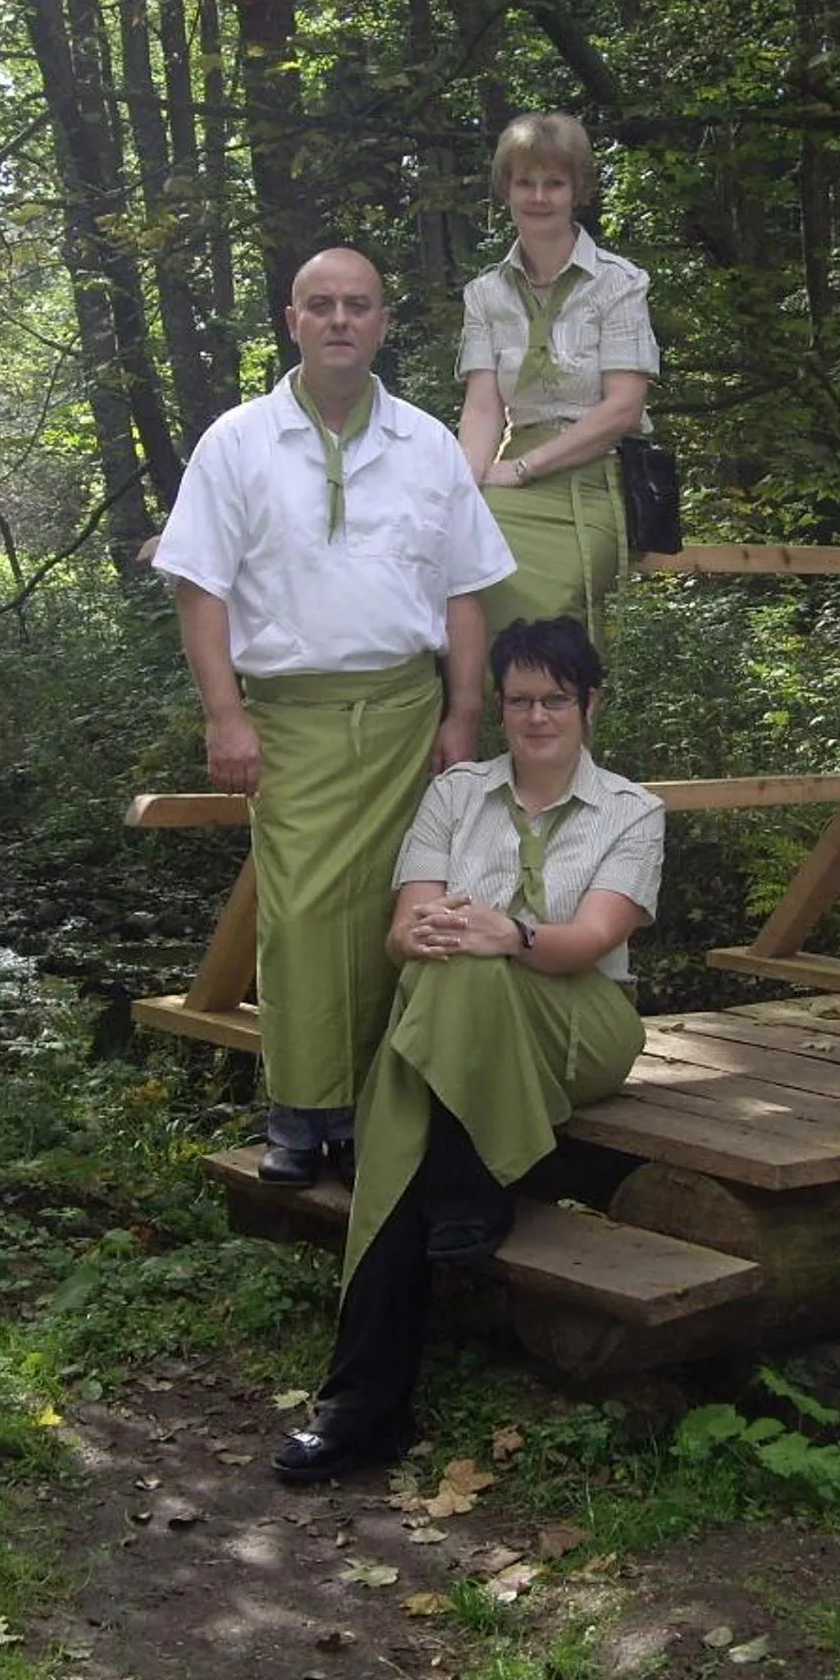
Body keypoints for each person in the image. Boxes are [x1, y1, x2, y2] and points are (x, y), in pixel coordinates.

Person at [151, 247, 514, 1190]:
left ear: (383, 323)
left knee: (403, 906)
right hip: (293, 717)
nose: (340, 320)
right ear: (291, 320)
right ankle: (302, 1112)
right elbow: (199, 587)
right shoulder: (236, 441)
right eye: (322, 305)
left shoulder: (426, 445)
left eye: (358, 305)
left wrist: (462, 714)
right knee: (306, 913)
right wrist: (223, 717)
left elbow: (467, 590)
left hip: (405, 709)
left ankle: (375, 1112)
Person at [273, 616, 662, 1482]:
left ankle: (357, 1403)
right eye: (518, 699)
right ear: (498, 705)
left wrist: (506, 932)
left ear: (588, 703)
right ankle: (462, 1190)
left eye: (554, 699)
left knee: (462, 995)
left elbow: (588, 940)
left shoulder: (633, 810)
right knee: (455, 984)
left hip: (579, 1024)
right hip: (456, 1007)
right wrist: (430, 938)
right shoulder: (453, 795)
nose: (535, 717)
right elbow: (400, 931)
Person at [458, 113, 659, 641]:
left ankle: (561, 712)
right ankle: (486, 719)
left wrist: (523, 468)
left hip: (594, 483)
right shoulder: (484, 294)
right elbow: (482, 407)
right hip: (507, 482)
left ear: (578, 190)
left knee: (546, 616)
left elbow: (624, 409)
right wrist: (460, 488)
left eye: (554, 183)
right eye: (526, 182)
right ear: (507, 189)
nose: (539, 196)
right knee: (449, 568)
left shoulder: (619, 283)